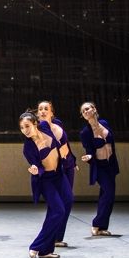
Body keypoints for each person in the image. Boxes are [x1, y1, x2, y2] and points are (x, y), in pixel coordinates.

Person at [19, 111, 70, 258]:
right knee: (58, 211)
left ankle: (46, 250)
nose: (25, 130)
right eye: (22, 128)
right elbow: (37, 165)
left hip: (59, 175)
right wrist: (35, 169)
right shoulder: (28, 147)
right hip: (46, 180)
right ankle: (36, 246)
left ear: (35, 124)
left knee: (65, 203)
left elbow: (57, 127)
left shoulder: (46, 127)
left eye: (27, 126)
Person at [36, 100, 76, 247]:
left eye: (46, 108)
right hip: (52, 170)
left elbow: (65, 144)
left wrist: (73, 161)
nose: (42, 111)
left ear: (52, 112)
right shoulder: (37, 129)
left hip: (67, 166)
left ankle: (58, 236)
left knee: (68, 201)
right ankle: (49, 236)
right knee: (56, 204)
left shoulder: (57, 124)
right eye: (40, 109)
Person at [79, 101, 120, 236]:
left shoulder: (105, 123)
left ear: (94, 109)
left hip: (111, 165)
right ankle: (97, 223)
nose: (86, 111)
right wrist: (89, 157)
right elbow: (89, 150)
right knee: (108, 194)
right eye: (83, 111)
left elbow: (111, 143)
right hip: (100, 167)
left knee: (107, 196)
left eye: (88, 108)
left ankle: (101, 227)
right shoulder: (85, 132)